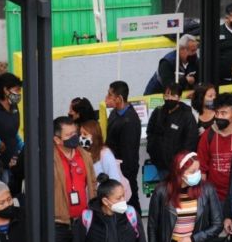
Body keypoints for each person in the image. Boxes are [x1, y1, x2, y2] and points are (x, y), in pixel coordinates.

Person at [53, 116, 97, 242]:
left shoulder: (83, 155)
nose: (75, 138)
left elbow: (92, 184)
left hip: (80, 219)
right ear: (56, 139)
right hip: (57, 220)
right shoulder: (48, 158)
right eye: (69, 135)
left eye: (75, 133)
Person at [105, 81, 142, 215]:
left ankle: (136, 230)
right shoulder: (115, 113)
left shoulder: (130, 121)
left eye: (110, 95)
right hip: (115, 167)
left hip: (125, 171)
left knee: (130, 201)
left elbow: (129, 153)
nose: (106, 98)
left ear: (119, 99)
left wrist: (125, 176)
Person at [146, 84, 199, 178]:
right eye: (167, 95)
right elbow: (150, 132)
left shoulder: (187, 116)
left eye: (173, 96)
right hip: (160, 164)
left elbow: (191, 141)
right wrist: (152, 150)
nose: (169, 98)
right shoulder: (158, 112)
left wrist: (181, 162)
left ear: (179, 98)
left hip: (178, 167)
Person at [196, 93, 232, 203]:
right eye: (217, 113)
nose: (219, 116)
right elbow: (202, 168)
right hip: (214, 196)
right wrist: (204, 195)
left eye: (224, 113)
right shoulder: (207, 135)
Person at [79, 120, 132, 203]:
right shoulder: (85, 153)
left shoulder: (105, 153)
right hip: (93, 197)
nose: (81, 137)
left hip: (106, 198)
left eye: (85, 134)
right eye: (80, 134)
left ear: (94, 135)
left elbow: (114, 179)